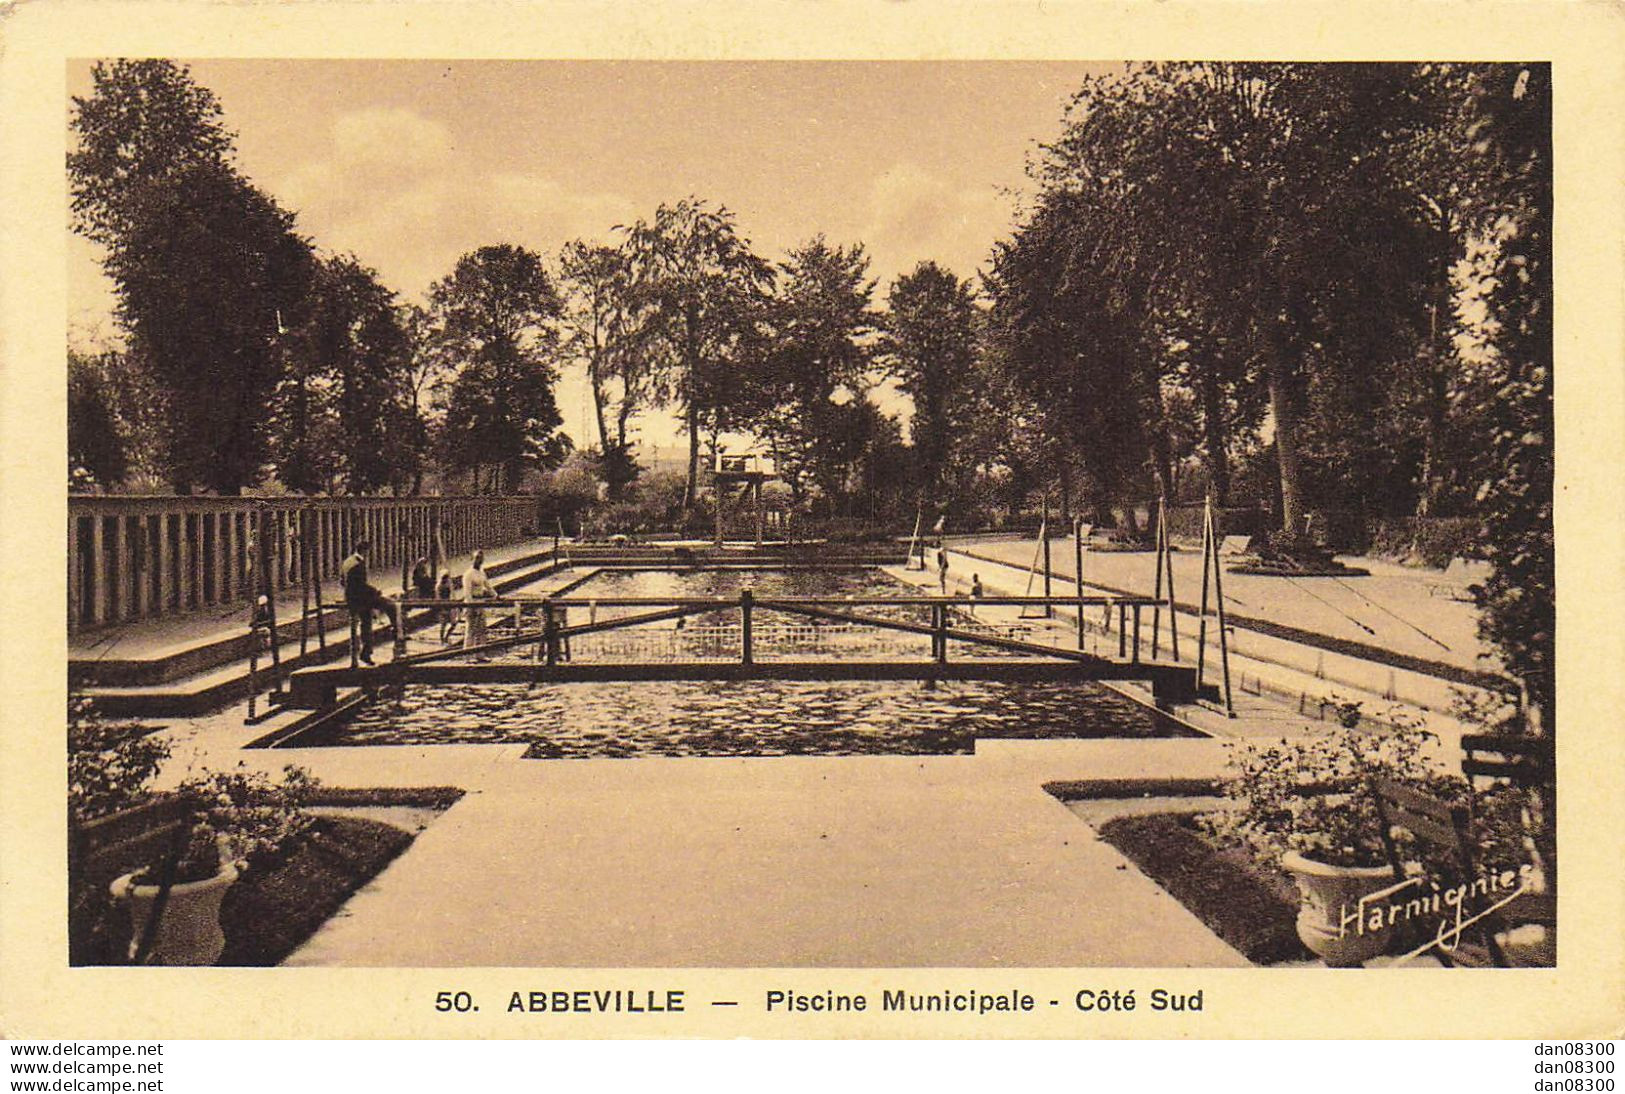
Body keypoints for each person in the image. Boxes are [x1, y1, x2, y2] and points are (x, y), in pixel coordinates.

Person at [339, 539, 400, 665]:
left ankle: (365, 653)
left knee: (366, 623)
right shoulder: (358, 564)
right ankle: (396, 632)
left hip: (352, 597)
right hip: (360, 599)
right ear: (365, 551)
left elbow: (343, 582)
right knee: (391, 606)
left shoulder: (347, 561)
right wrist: (375, 591)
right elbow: (360, 585)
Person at [462, 549, 496, 655]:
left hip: (480, 601)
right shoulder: (468, 574)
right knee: (471, 629)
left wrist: (496, 595)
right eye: (477, 558)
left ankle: (480, 654)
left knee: (481, 629)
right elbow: (467, 593)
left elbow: (488, 586)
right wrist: (473, 606)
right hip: (471, 602)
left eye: (481, 558)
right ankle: (467, 656)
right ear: (472, 559)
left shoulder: (481, 572)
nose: (479, 561)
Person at [436, 569, 456, 642]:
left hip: (448, 605)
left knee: (453, 623)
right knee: (443, 624)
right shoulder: (439, 586)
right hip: (443, 606)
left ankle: (446, 637)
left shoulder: (448, 584)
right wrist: (442, 608)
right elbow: (438, 598)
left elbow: (452, 593)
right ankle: (442, 639)